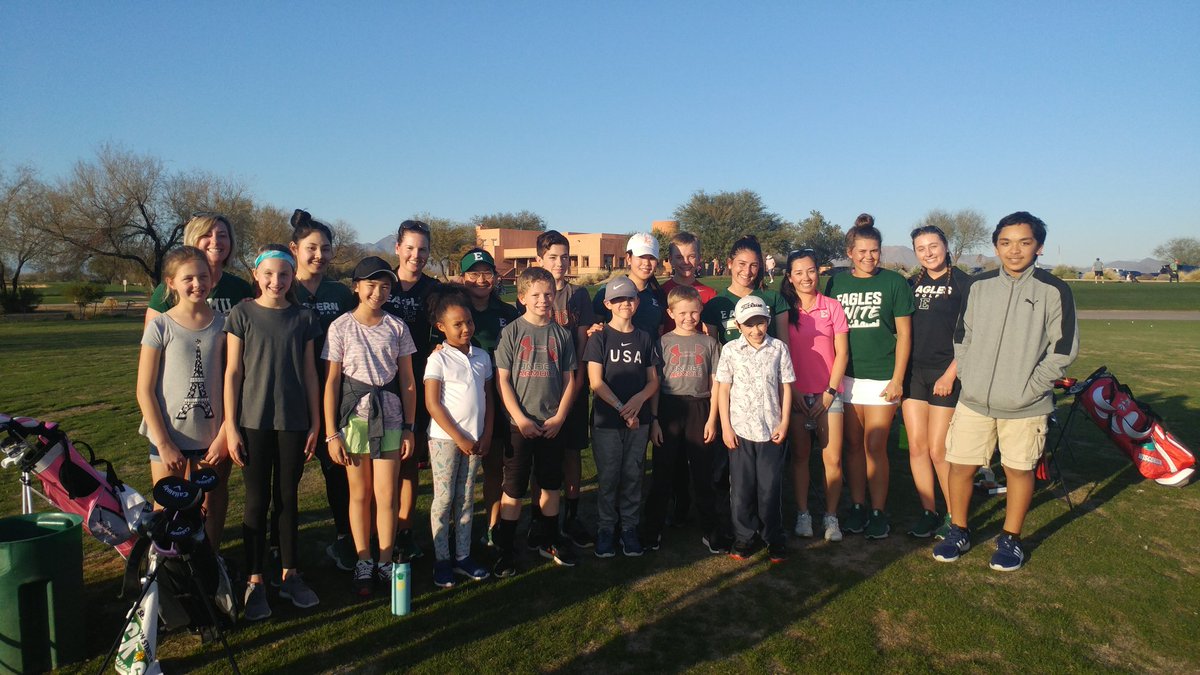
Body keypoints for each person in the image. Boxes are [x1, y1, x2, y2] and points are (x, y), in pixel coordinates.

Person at [933, 212, 1078, 572]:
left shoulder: (1054, 290)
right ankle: (959, 530)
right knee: (961, 467)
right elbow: (962, 338)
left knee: (1018, 469)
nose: (1014, 250)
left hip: (1026, 404)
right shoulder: (979, 287)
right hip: (975, 401)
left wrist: (1030, 388)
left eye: (1024, 242)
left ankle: (1011, 538)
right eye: (1006, 242)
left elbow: (1063, 350)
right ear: (996, 245)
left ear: (1038, 247)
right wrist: (969, 375)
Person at [224, 245, 321, 620]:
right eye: (269, 274)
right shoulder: (242, 313)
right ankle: (254, 580)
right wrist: (231, 426)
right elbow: (233, 373)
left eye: (284, 275)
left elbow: (311, 374)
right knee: (255, 501)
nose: (276, 281)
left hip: (293, 422)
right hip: (252, 421)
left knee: (287, 499)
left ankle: (289, 574)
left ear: (291, 276)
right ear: (256, 274)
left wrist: (314, 422)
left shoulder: (303, 317)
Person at [322, 256, 416, 597]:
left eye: (385, 286)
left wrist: (409, 426)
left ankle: (386, 559)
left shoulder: (397, 327)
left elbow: (407, 379)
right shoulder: (340, 327)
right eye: (371, 285)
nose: (378, 292)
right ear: (356, 287)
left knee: (387, 495)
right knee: (359, 494)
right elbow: (332, 382)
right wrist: (331, 432)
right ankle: (364, 559)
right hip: (353, 422)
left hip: (390, 418)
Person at [824, 214, 914, 540]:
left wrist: (898, 378)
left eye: (874, 250)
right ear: (850, 252)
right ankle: (858, 506)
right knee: (852, 446)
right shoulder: (837, 284)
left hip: (881, 377)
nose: (868, 257)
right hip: (847, 377)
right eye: (861, 251)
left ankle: (878, 510)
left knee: (875, 446)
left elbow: (904, 335)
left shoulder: (894, 283)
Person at [136, 246, 229, 548]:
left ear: (212, 279)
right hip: (169, 439)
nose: (197, 284)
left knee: (210, 508)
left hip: (211, 439)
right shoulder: (160, 326)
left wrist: (225, 434)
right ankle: (171, 575)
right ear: (171, 282)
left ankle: (210, 566)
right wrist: (163, 442)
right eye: (188, 277)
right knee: (168, 512)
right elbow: (144, 389)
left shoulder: (224, 326)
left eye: (203, 276)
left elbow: (233, 384)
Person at [492, 267, 580, 575]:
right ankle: (505, 548)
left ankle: (549, 538)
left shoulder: (562, 334)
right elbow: (502, 380)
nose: (543, 300)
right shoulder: (512, 332)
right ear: (522, 297)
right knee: (514, 488)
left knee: (550, 484)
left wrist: (559, 417)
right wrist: (519, 418)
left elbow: (570, 380)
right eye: (536, 295)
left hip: (552, 423)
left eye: (548, 294)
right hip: (520, 425)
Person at [287, 209, 358, 573]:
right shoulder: (282, 286)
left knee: (337, 471)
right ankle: (280, 547)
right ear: (294, 248)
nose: (319, 255)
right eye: (311, 248)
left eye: (325, 248)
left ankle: (345, 537)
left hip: (335, 395)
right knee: (287, 476)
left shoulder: (340, 293)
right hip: (291, 396)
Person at [522, 232, 595, 550]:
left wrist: (578, 382)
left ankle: (572, 515)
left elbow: (581, 339)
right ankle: (540, 518)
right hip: (539, 385)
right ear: (540, 259)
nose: (560, 263)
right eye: (553, 257)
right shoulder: (531, 293)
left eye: (565, 257)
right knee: (542, 456)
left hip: (571, 383)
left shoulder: (578, 295)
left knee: (571, 452)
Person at [644, 285, 730, 553]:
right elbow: (656, 384)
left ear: (701, 310)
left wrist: (712, 419)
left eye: (694, 312)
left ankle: (711, 530)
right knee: (663, 473)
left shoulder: (710, 343)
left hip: (700, 408)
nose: (689, 318)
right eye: (682, 313)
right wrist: (655, 419)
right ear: (670, 312)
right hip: (670, 408)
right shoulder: (663, 343)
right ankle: (652, 530)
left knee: (703, 474)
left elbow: (716, 384)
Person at [901, 226, 973, 540]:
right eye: (921, 248)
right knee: (917, 448)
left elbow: (974, 335)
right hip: (914, 373)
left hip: (946, 374)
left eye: (934, 246)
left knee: (938, 450)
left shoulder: (965, 284)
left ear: (946, 246)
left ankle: (954, 517)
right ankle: (928, 512)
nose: (928, 253)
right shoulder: (909, 285)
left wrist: (951, 373)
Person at [585, 276, 661, 558]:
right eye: (617, 300)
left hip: (637, 422)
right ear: (607, 304)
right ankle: (606, 528)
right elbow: (596, 382)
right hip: (607, 420)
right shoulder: (599, 337)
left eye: (629, 298)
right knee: (609, 477)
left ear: (637, 301)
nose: (624, 304)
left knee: (632, 475)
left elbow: (652, 380)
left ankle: (629, 528)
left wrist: (638, 401)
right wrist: (621, 408)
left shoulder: (644, 336)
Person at [424, 284, 494, 588]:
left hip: (477, 439)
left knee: (466, 498)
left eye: (469, 322)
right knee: (444, 498)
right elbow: (433, 403)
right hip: (444, 440)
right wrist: (459, 437)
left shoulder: (482, 356)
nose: (466, 328)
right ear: (442, 327)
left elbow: (489, 399)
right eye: (457, 324)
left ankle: (463, 556)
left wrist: (486, 433)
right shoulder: (438, 359)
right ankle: (442, 559)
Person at [716, 295, 795, 563]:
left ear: (768, 321)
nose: (756, 330)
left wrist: (784, 422)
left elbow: (786, 387)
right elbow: (723, 389)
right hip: (740, 431)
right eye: (749, 324)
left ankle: (773, 537)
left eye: (760, 323)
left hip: (771, 432)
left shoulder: (779, 349)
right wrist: (725, 427)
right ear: (738, 326)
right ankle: (744, 537)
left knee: (770, 488)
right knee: (741, 490)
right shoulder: (730, 351)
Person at [780, 249, 849, 542]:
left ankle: (831, 518)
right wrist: (793, 390)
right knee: (800, 457)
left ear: (818, 272)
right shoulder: (785, 310)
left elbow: (843, 352)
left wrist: (829, 393)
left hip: (828, 395)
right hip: (796, 394)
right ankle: (804, 515)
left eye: (810, 271)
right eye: (799, 272)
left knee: (832, 459)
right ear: (790, 277)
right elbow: (783, 353)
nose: (806, 277)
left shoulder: (832, 307)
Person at [458, 249, 522, 550]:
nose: (481, 280)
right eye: (474, 273)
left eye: (487, 273)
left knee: (495, 468)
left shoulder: (507, 313)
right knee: (462, 475)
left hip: (497, 399)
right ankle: (458, 531)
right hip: (461, 403)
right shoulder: (453, 312)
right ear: (463, 278)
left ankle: (493, 526)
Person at [382, 219, 438, 560]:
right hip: (375, 386)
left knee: (406, 462)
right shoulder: (379, 283)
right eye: (411, 248)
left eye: (423, 249)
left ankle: (403, 531)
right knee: (375, 464)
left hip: (415, 385)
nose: (416, 255)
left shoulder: (435, 290)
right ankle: (376, 531)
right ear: (398, 248)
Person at [658, 230, 717, 525]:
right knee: (672, 459)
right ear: (669, 260)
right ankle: (677, 506)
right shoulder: (662, 291)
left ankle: (705, 510)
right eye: (679, 256)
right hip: (671, 385)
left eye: (692, 255)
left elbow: (712, 341)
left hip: (699, 388)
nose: (686, 261)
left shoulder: (708, 294)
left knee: (701, 458)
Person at [146, 212, 253, 321]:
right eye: (206, 235)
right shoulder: (168, 290)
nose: (215, 241)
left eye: (222, 235)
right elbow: (153, 334)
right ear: (192, 240)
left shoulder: (242, 288)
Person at [701, 235, 788, 345]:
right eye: (742, 264)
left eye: (753, 265)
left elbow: (784, 347)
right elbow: (711, 351)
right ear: (730, 263)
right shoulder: (715, 304)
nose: (747, 271)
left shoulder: (774, 298)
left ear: (760, 266)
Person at [592, 233, 666, 335]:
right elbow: (594, 326)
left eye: (651, 258)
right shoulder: (608, 290)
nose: (647, 263)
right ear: (628, 258)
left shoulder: (659, 294)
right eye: (641, 256)